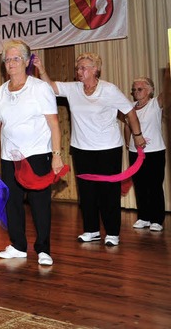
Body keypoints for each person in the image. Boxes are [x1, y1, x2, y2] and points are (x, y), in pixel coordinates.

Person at [37, 53, 146, 246]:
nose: (79, 71)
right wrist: (41, 69)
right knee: (87, 192)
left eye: (84, 68)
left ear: (96, 69)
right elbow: (50, 87)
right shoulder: (74, 89)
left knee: (108, 192)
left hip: (108, 148)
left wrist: (138, 137)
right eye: (78, 68)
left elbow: (130, 112)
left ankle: (112, 232)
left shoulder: (109, 90)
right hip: (81, 149)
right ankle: (91, 230)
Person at [0, 41, 63, 266]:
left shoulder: (40, 88)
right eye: (7, 59)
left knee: (39, 203)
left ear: (27, 62)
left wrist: (56, 154)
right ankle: (18, 246)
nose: (11, 63)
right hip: (10, 157)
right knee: (12, 202)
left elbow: (54, 124)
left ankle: (44, 249)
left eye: (16, 58)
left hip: (37, 155)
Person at [125, 76, 167, 232]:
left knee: (154, 186)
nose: (136, 92)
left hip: (154, 152)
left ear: (150, 90)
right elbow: (128, 127)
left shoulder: (155, 103)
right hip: (135, 153)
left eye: (140, 89)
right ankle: (143, 217)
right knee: (140, 185)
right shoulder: (130, 107)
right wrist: (128, 144)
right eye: (134, 89)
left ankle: (157, 219)